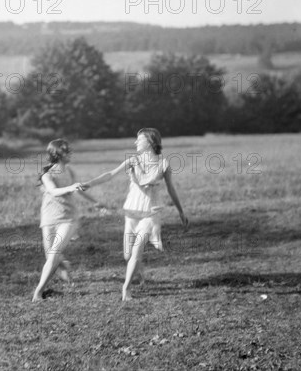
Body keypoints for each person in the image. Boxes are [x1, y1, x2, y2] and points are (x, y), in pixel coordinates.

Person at [80, 128, 188, 301]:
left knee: (137, 251)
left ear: (151, 141)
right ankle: (138, 270)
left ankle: (126, 289)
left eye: (139, 139)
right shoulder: (132, 160)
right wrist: (89, 184)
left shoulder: (163, 164)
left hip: (150, 213)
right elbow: (110, 174)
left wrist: (180, 211)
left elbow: (168, 187)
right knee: (128, 255)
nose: (135, 142)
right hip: (131, 212)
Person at [32, 138, 101, 302]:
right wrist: (71, 187)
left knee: (54, 253)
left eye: (70, 150)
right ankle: (62, 265)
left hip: (69, 218)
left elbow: (80, 189)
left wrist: (96, 202)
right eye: (66, 150)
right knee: (51, 255)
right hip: (49, 218)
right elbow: (54, 191)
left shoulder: (69, 171)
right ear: (57, 153)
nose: (70, 153)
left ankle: (38, 292)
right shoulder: (46, 175)